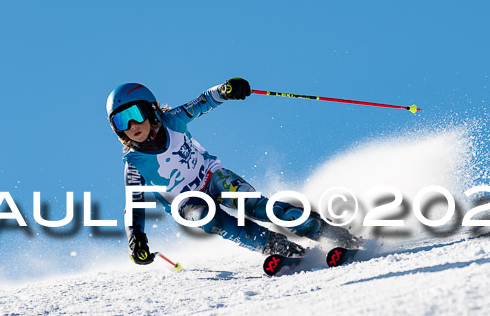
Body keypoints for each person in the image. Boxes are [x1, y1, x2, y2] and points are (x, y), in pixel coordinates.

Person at [106, 78, 358, 265]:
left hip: (211, 177)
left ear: (151, 110)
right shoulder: (134, 163)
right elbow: (134, 204)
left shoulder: (174, 120)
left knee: (256, 207)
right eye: (120, 121)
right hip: (187, 203)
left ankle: (326, 231)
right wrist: (136, 237)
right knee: (208, 217)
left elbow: (203, 101)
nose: (131, 126)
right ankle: (274, 245)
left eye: (135, 114)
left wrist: (226, 90)